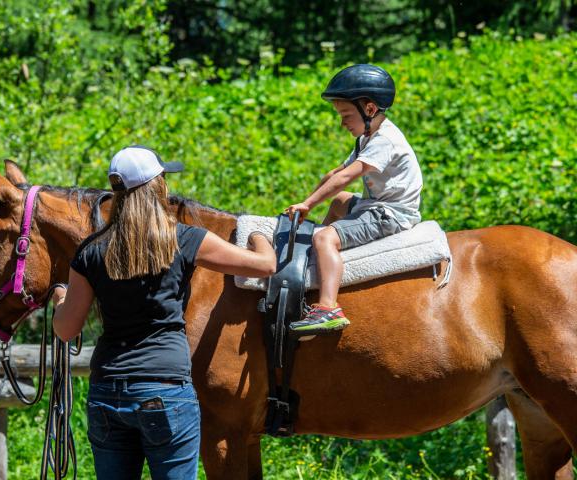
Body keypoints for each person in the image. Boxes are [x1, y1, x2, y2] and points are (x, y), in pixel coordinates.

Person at [51, 145, 276, 480]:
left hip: (107, 392)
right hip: (166, 391)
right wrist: (258, 234)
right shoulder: (184, 240)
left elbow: (66, 330)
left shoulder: (90, 252)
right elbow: (265, 266)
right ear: (159, 187)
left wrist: (60, 298)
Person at [285, 64, 423, 333]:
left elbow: (348, 177)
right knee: (339, 202)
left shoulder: (385, 140)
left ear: (369, 109)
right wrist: (306, 201)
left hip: (391, 214)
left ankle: (328, 307)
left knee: (325, 238)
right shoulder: (367, 137)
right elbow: (337, 174)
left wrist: (309, 204)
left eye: (346, 114)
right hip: (376, 203)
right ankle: (317, 246)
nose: (342, 122)